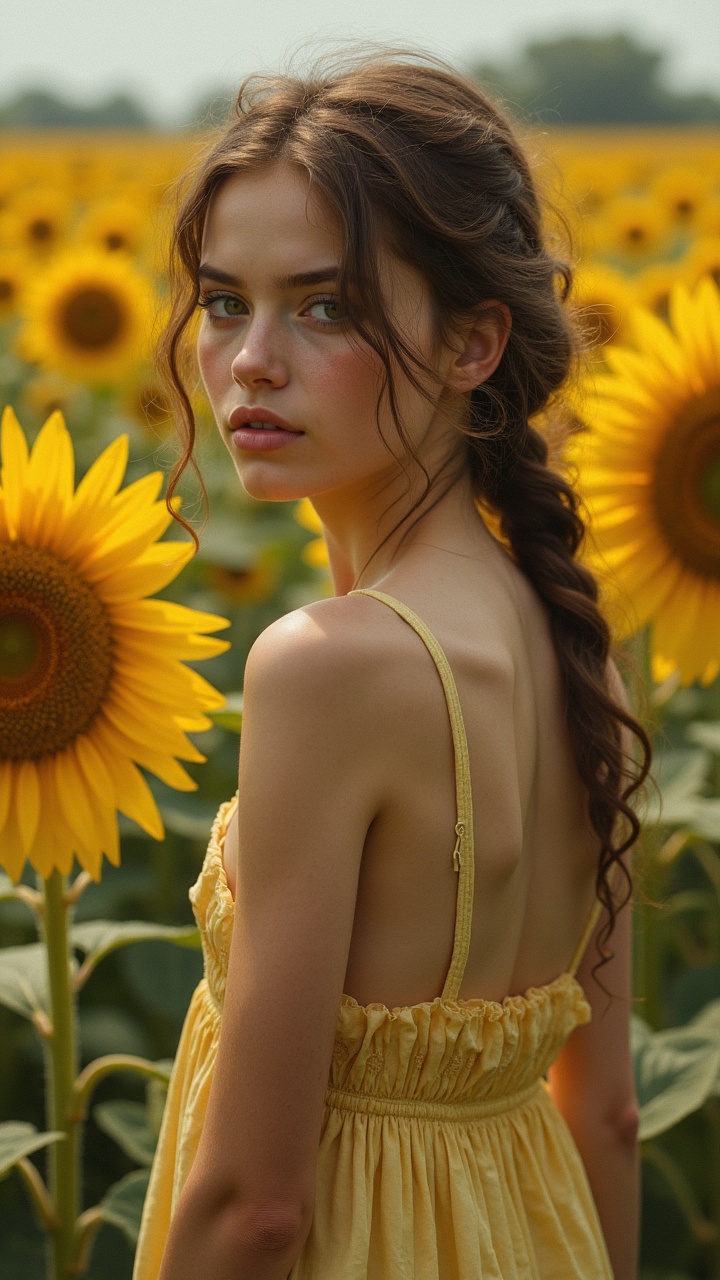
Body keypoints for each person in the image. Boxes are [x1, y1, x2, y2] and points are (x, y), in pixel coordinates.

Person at [133, 47, 651, 1280]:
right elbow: (611, 1116)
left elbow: (258, 1206)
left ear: (474, 343)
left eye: (325, 306)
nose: (252, 359)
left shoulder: (329, 667)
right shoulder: (576, 649)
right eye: (221, 302)